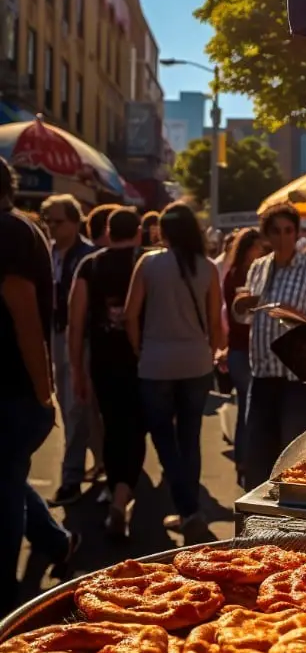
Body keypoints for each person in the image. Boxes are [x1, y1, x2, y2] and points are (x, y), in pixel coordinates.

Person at [0, 159, 78, 616]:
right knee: (7, 475)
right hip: (13, 391)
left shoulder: (11, 232)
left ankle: (6, 596)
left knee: (4, 484)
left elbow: (23, 311)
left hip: (11, 389)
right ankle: (55, 540)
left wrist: (43, 390)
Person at [125, 201, 223, 530]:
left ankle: (187, 506)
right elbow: (214, 322)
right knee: (190, 437)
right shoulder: (208, 267)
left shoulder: (149, 264)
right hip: (196, 362)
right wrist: (208, 352)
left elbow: (130, 314)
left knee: (163, 437)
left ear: (162, 231)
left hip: (155, 362)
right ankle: (190, 509)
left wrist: (141, 349)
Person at [233, 202, 306, 491]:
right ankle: (259, 520)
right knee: (259, 455)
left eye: (288, 231)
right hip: (264, 375)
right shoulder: (259, 268)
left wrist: (298, 318)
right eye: (276, 231)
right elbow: (246, 315)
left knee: (294, 458)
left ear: (296, 233)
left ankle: (294, 520)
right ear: (266, 235)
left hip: (299, 378)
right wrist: (242, 305)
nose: (283, 237)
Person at [69, 207, 145, 538]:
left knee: (113, 428)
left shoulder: (90, 265)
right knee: (136, 429)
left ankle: (117, 491)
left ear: (108, 232)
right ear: (139, 232)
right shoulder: (147, 261)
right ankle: (123, 494)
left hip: (103, 361)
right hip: (142, 359)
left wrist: (76, 369)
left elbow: (76, 321)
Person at [40, 194, 95, 506]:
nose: (51, 227)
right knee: (73, 405)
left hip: (83, 339)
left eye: (58, 221)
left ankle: (72, 478)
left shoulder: (87, 256)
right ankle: (105, 467)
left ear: (75, 222)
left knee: (78, 408)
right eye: (48, 221)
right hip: (56, 335)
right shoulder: (47, 253)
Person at [220, 228, 264, 484]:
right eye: (257, 246)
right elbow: (241, 316)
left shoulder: (236, 274)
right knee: (249, 408)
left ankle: (244, 460)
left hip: (242, 349)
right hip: (242, 349)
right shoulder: (241, 276)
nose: (261, 251)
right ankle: (245, 460)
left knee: (246, 408)